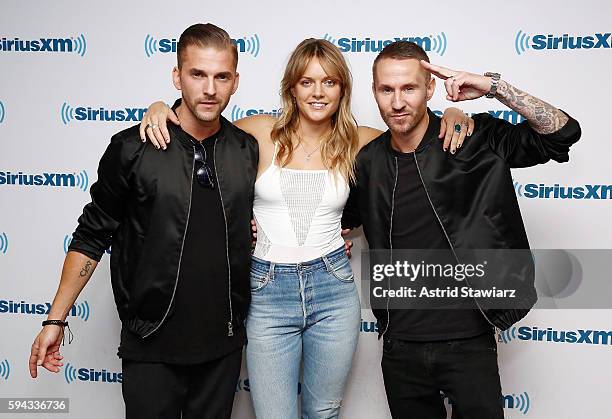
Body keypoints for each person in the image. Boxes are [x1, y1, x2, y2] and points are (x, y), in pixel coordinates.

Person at [140, 37, 472, 418]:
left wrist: (452, 115)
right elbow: (198, 126)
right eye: (307, 81)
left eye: (329, 82)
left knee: (323, 411)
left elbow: (417, 131)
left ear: (342, 90)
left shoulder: (359, 141)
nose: (318, 92)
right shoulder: (258, 132)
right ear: (291, 88)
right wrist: (159, 106)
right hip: (266, 292)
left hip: (333, 289)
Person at [28, 23, 258, 419]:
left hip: (222, 344)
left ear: (236, 82)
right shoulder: (132, 148)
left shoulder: (246, 149)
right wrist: (55, 318)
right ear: (176, 76)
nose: (209, 89)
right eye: (197, 74)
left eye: (221, 77)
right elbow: (92, 234)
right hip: (151, 342)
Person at [341, 41, 581, 418]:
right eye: (387, 89)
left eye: (409, 88)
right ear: (374, 92)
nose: (398, 102)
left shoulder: (474, 139)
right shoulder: (368, 162)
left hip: (469, 341)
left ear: (430, 88)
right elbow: (339, 217)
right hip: (400, 346)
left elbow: (563, 133)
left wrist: (493, 87)